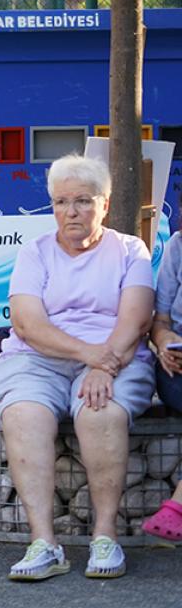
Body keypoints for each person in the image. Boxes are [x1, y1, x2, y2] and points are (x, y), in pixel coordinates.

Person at [0, 154, 153, 581]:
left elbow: (135, 319)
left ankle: (105, 536)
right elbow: (28, 324)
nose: (70, 211)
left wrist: (104, 365)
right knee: (23, 413)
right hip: (38, 358)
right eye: (61, 202)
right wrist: (88, 355)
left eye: (82, 201)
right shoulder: (34, 252)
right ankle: (45, 544)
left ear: (105, 204)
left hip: (115, 355)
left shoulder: (130, 249)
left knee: (101, 412)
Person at [147, 212, 182, 542]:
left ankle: (179, 504)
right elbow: (161, 321)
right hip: (177, 368)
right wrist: (165, 342)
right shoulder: (177, 246)